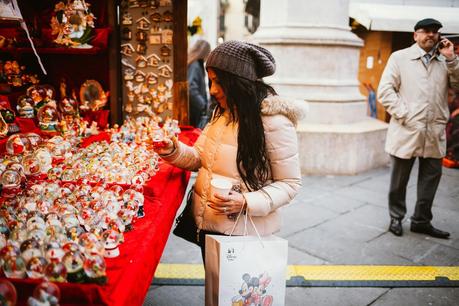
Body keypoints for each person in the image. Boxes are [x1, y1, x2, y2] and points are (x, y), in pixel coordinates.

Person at [154, 40, 303, 260]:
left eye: (218, 82)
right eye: (210, 81)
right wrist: (173, 150)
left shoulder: (275, 122)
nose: (213, 90)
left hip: (243, 232)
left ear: (237, 82)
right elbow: (199, 158)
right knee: (216, 292)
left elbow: (290, 184)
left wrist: (246, 202)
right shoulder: (222, 115)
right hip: (210, 226)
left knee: (238, 292)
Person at [377, 18, 459, 239]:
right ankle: (396, 217)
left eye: (435, 32)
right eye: (426, 31)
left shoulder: (446, 61)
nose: (431, 35)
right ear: (415, 35)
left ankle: (421, 221)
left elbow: (457, 86)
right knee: (399, 181)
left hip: (434, 131)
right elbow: (385, 91)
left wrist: (452, 59)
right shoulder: (399, 58)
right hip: (407, 130)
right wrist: (405, 114)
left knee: (430, 180)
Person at [187, 39, 211, 128]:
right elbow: (191, 88)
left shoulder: (194, 64)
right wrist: (203, 105)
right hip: (194, 110)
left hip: (193, 108)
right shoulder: (195, 65)